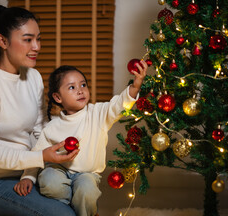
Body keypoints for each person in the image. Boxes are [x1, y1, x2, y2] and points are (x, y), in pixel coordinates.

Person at [0, 5, 79, 216]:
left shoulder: (33, 77)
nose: (36, 46)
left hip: (27, 172)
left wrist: (32, 171)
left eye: (38, 39)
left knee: (81, 198)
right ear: (3, 41)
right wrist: (39, 158)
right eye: (27, 39)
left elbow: (39, 130)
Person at [14, 63, 148, 216]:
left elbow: (119, 105)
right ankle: (66, 209)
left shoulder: (98, 114)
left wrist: (136, 84)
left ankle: (85, 212)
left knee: (87, 191)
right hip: (59, 169)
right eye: (72, 87)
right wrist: (28, 178)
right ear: (58, 97)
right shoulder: (52, 127)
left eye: (83, 85)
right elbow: (37, 154)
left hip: (87, 173)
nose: (80, 90)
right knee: (49, 181)